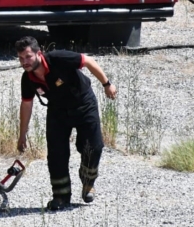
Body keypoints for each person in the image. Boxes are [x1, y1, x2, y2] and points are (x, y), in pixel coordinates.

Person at [15, 36, 117, 210]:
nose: (25, 62)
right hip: (58, 111)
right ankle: (61, 196)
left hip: (84, 103)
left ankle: (88, 183)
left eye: (28, 56)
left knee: (94, 147)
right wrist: (22, 134)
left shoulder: (58, 58)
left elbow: (88, 61)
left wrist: (107, 84)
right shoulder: (28, 79)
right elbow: (26, 104)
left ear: (39, 54)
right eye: (21, 58)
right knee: (56, 155)